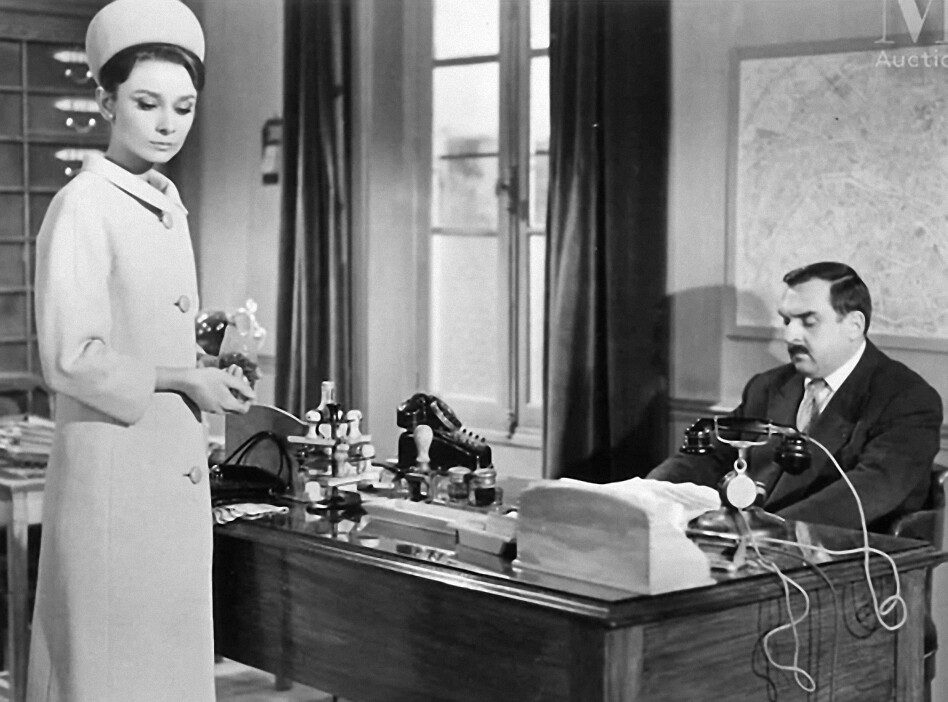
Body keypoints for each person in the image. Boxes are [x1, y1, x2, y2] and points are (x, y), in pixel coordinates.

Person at [27, 1, 255, 699]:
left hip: (160, 479)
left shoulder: (162, 202)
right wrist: (186, 379)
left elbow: (139, 333)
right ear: (106, 101)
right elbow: (70, 357)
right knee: (112, 674)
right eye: (146, 103)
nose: (167, 124)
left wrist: (205, 365)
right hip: (113, 483)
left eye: (183, 108)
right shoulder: (84, 204)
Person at [647, 262, 943, 531]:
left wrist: (763, 531)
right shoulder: (768, 387)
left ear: (854, 325)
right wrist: (649, 494)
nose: (790, 336)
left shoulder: (906, 399)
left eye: (808, 322)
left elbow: (868, 491)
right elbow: (712, 454)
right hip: (753, 546)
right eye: (787, 321)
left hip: (841, 556)